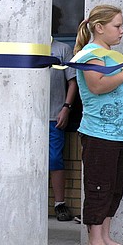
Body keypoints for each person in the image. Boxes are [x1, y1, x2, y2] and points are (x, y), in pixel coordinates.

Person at [74, 4, 123, 245]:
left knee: (114, 187)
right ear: (99, 28)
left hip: (118, 134)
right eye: (117, 26)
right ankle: (94, 243)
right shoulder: (91, 53)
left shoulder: (109, 53)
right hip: (100, 133)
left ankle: (106, 237)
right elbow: (96, 85)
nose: (122, 31)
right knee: (99, 187)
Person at [49, 33, 78, 222]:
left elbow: (72, 81)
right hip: (27, 117)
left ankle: (60, 204)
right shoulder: (25, 46)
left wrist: (66, 108)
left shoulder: (62, 49)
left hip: (53, 116)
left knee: (54, 159)